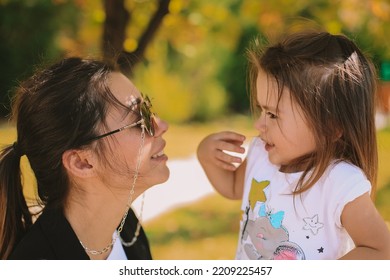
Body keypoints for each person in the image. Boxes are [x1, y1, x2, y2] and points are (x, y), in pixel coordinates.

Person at [197, 31, 390, 259]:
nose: (259, 124)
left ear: (330, 127)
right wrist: (205, 155)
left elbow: (380, 249)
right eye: (261, 110)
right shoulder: (261, 154)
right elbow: (232, 188)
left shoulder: (340, 182)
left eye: (273, 115)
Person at [0, 57, 169, 260]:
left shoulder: (127, 230)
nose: (161, 125)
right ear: (82, 162)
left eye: (147, 109)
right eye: (138, 120)